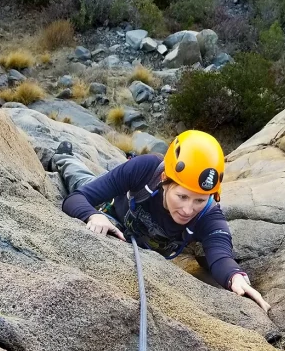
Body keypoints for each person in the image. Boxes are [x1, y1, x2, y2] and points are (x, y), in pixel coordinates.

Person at [51, 130, 270, 313]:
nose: (187, 210)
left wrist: (235, 277)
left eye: (199, 200)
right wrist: (93, 215)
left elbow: (220, 255)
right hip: (113, 215)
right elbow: (77, 199)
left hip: (139, 245)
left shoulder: (209, 215)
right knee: (81, 179)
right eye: (182, 196)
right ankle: (64, 157)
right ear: (165, 180)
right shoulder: (145, 170)